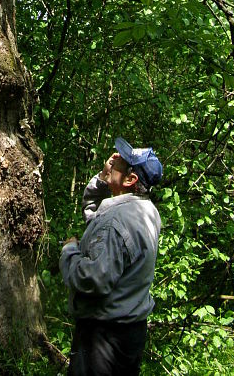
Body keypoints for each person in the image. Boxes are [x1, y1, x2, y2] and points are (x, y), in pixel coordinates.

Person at [60, 138, 163, 376]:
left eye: (121, 161)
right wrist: (104, 180)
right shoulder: (145, 211)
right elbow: (98, 221)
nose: (114, 158)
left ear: (130, 179)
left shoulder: (115, 223)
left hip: (103, 339)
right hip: (130, 332)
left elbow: (92, 279)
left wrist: (69, 252)